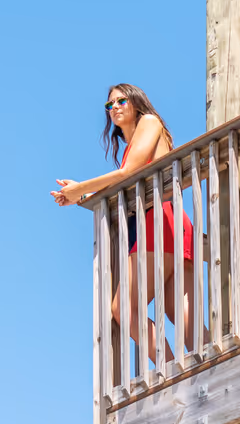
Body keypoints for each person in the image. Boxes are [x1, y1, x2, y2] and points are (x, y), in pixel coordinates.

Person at [51, 84, 195, 361]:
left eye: (121, 101)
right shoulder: (133, 146)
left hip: (157, 221)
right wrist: (83, 196)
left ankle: (170, 371)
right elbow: (126, 184)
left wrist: (80, 188)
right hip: (166, 221)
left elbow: (128, 172)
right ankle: (213, 365)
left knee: (125, 309)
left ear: (136, 102)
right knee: (177, 310)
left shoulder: (150, 121)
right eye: (109, 105)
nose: (114, 107)